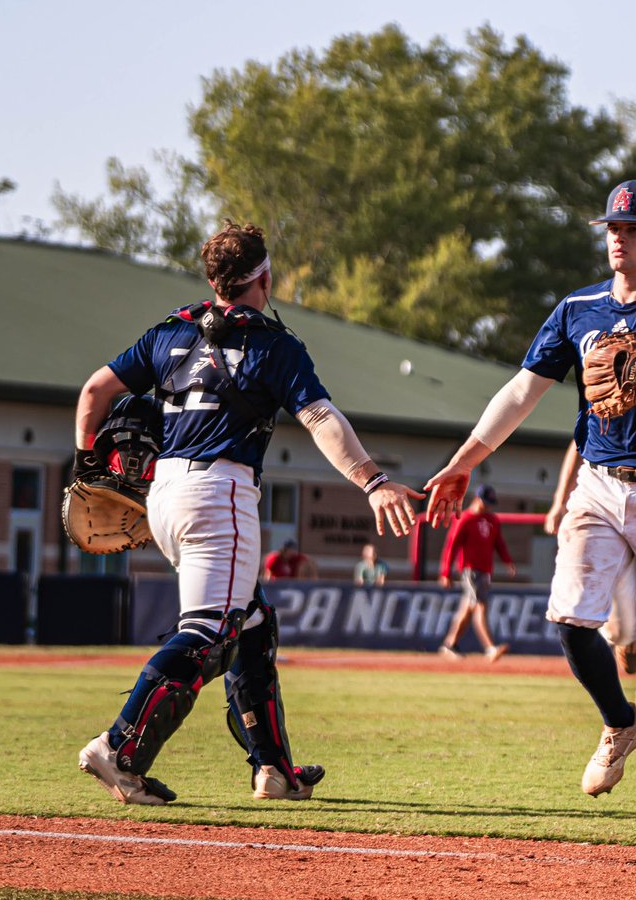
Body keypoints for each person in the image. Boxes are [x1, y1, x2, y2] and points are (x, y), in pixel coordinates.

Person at [426, 178, 636, 819]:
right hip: (598, 482)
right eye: (613, 229)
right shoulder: (578, 308)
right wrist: (463, 462)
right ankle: (620, 722)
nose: (619, 239)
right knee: (571, 619)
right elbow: (522, 391)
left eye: (633, 229)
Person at [74, 220, 423, 807]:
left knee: (252, 623)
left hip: (165, 494)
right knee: (212, 634)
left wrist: (87, 466)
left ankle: (274, 770)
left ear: (213, 280)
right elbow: (320, 419)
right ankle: (120, 747)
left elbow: (93, 393)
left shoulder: (170, 331)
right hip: (221, 493)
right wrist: (373, 479)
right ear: (264, 276)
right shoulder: (273, 343)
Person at [545, 440, 636, 739]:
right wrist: (560, 501)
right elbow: (577, 443)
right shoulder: (606, 398)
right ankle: (626, 641)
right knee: (620, 632)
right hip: (610, 503)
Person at [437, 484, 516, 661]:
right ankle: (490, 648)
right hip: (470, 570)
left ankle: (449, 645)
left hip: (485, 570)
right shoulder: (465, 519)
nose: (488, 506)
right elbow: (452, 546)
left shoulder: (492, 520)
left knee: (467, 608)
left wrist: (507, 561)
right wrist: (445, 572)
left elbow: (498, 543)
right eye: (485, 502)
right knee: (480, 606)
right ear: (477, 499)